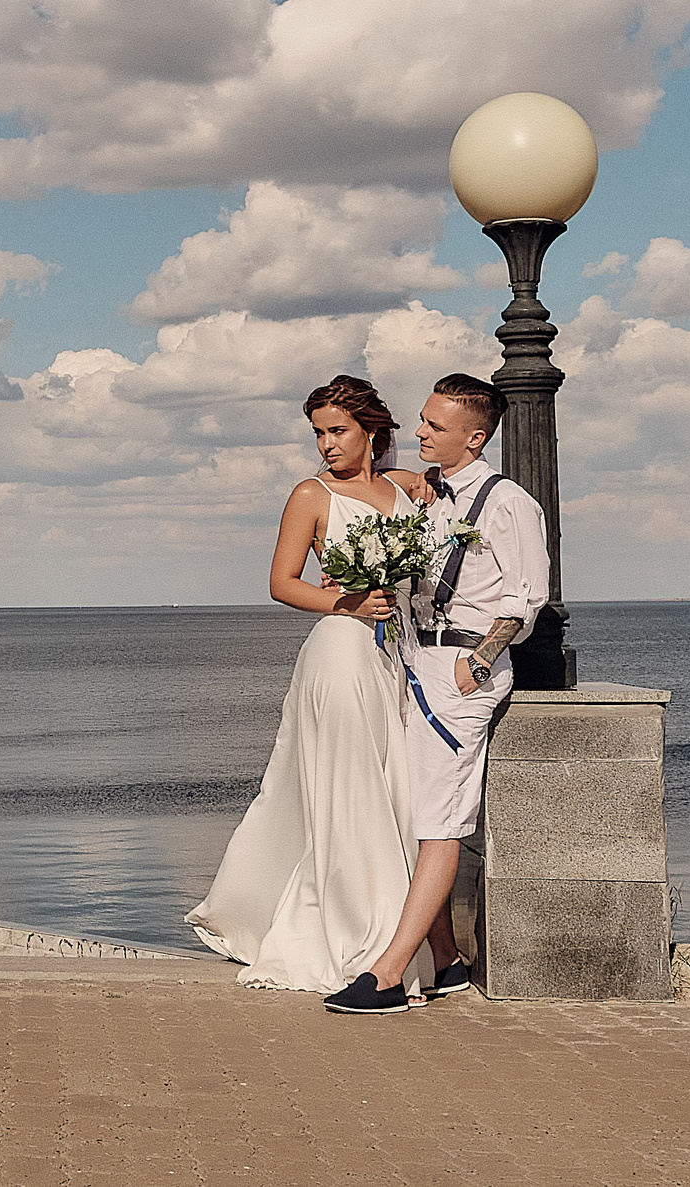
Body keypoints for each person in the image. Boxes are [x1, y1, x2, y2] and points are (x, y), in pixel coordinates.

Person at [185, 375, 434, 1000]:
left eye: (337, 431)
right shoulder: (310, 495)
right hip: (341, 654)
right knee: (348, 794)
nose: (325, 444)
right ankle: (353, 941)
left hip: (396, 658)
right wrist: (345, 603)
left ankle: (398, 945)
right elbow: (282, 583)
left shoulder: (405, 491)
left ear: (372, 432)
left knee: (396, 787)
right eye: (319, 433)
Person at [327, 372, 548, 1017]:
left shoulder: (508, 504)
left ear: (475, 438)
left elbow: (527, 596)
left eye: (434, 426)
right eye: (421, 421)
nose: (418, 433)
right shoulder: (428, 497)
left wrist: (478, 662)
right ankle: (447, 963)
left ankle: (390, 975)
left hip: (460, 670)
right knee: (414, 809)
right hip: (413, 659)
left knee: (440, 823)